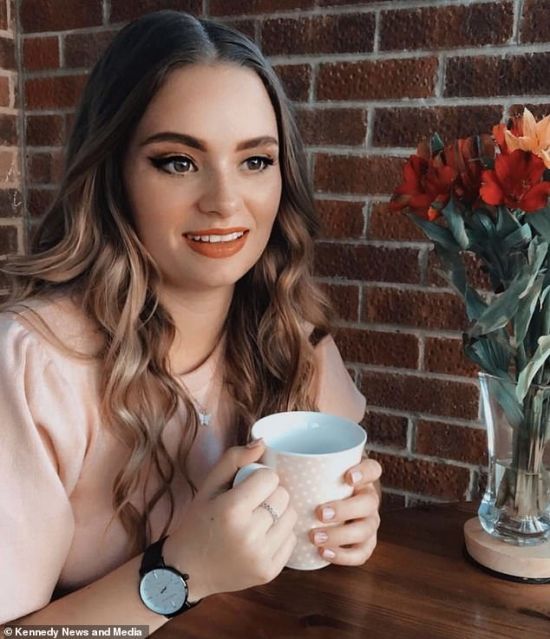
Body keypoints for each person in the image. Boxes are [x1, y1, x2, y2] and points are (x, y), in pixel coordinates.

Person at [0, 10, 382, 629]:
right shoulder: (32, 363)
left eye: (255, 161)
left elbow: (347, 484)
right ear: (113, 174)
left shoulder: (294, 329)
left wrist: (354, 517)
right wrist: (179, 573)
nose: (225, 202)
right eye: (178, 161)